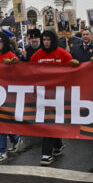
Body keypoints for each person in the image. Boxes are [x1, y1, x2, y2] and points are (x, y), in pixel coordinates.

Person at [30, 30, 76, 165]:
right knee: (49, 122)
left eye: (48, 39)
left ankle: (49, 151)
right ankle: (53, 148)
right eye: (44, 39)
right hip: (42, 94)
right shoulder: (37, 55)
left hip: (58, 94)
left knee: (52, 121)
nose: (46, 42)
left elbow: (74, 69)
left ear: (53, 40)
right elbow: (29, 71)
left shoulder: (63, 54)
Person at [0, 31, 23, 162]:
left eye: (0, 42)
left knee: (1, 122)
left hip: (8, 94)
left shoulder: (11, 55)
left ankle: (1, 150)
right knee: (2, 122)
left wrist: (14, 66)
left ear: (5, 43)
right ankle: (16, 139)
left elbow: (20, 74)